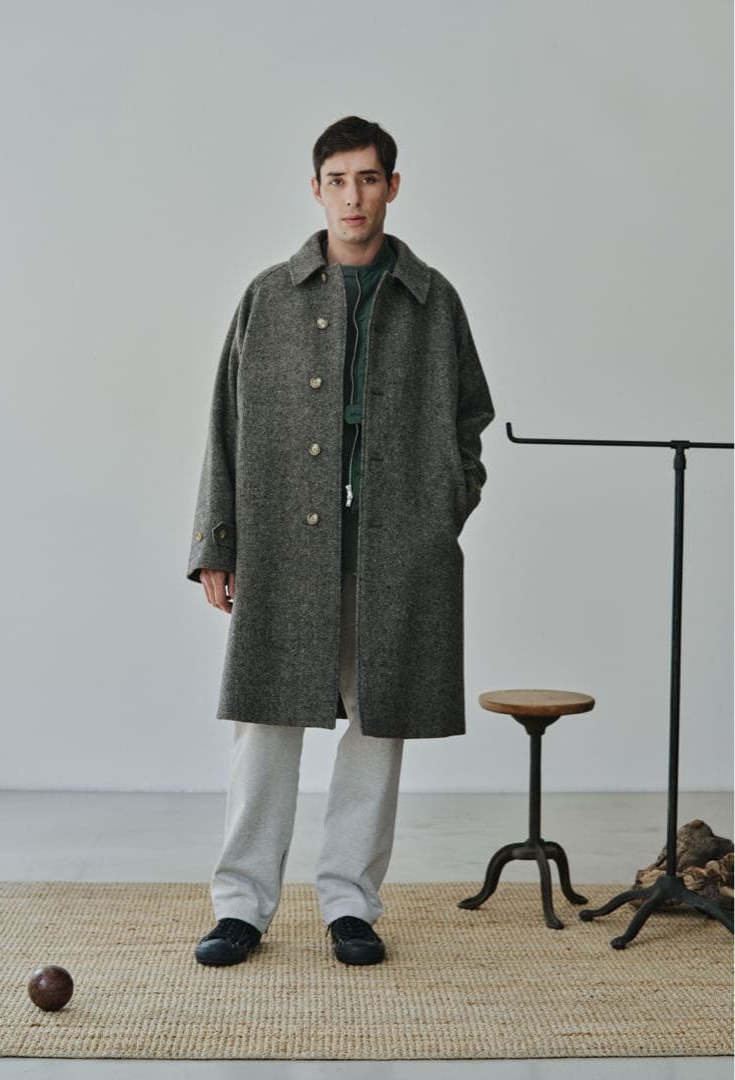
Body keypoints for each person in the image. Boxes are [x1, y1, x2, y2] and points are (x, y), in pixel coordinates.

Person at [186, 115, 495, 966]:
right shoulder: (269, 295)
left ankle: (350, 904)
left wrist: (443, 510)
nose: (352, 196)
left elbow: (470, 418)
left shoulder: (433, 301)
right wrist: (218, 542)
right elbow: (224, 422)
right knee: (264, 724)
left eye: (367, 178)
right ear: (315, 189)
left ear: (393, 186)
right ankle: (240, 906)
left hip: (396, 552)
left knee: (377, 725)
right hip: (284, 549)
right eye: (337, 180)